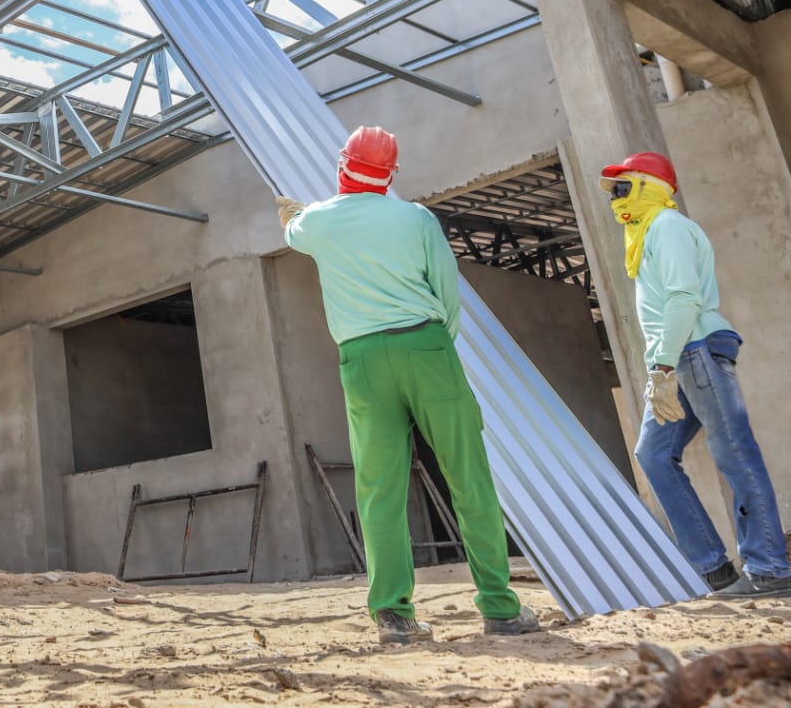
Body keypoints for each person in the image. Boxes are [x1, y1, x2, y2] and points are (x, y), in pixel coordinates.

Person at [277, 126, 538, 644]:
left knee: (379, 489)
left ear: (342, 165)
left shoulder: (319, 222)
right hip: (427, 345)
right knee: (469, 478)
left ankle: (394, 616)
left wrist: (295, 216)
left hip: (361, 360)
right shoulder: (417, 219)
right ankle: (500, 609)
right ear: (391, 175)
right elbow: (446, 291)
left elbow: (293, 230)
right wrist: (436, 347)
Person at [601, 151, 791, 599]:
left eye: (623, 187)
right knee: (653, 453)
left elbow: (684, 298)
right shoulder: (646, 234)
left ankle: (769, 568)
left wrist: (663, 366)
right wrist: (660, 365)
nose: (616, 198)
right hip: (676, 357)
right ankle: (714, 569)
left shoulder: (667, 227)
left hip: (694, 349)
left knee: (734, 451)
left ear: (650, 186)